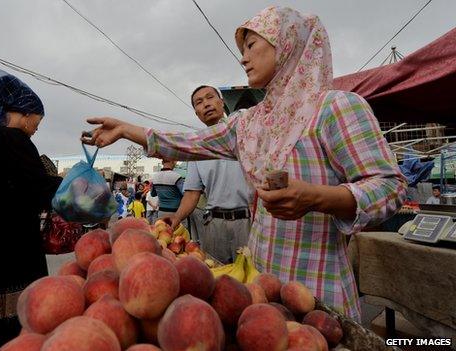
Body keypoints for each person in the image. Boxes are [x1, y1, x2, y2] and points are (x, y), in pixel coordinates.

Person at [82, 6, 407, 321]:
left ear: (287, 44)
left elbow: (389, 188)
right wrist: (127, 130)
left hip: (317, 291)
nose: (243, 57)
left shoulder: (336, 108)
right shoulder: (250, 123)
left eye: (252, 45)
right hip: (260, 287)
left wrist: (316, 197)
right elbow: (188, 143)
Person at [0, 51, 62, 350]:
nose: (36, 129)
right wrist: (73, 185)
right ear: (25, 113)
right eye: (37, 121)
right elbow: (39, 188)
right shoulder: (14, 140)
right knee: (12, 332)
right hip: (11, 244)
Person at [171, 85, 256, 263]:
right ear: (196, 112)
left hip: (249, 222)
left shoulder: (243, 130)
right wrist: (176, 218)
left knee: (252, 279)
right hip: (213, 225)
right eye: (199, 102)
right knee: (215, 278)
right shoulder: (196, 147)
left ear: (222, 102)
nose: (206, 104)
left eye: (210, 98)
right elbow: (192, 192)